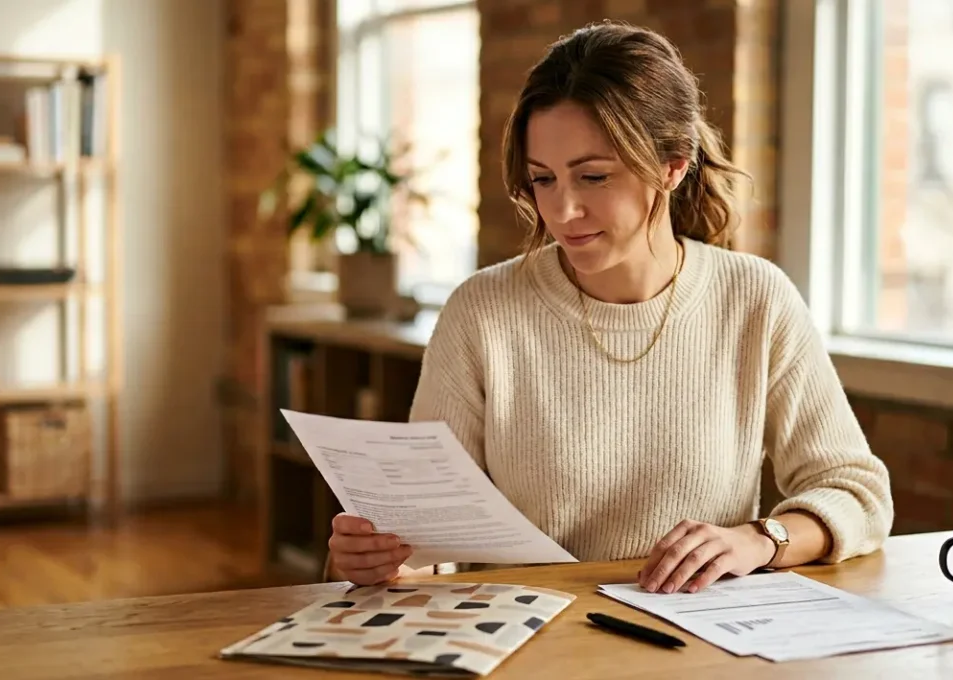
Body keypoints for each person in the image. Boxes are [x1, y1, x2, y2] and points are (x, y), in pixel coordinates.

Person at [325, 20, 893, 593]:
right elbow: (430, 543)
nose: (562, 211)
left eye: (593, 176)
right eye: (543, 179)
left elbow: (857, 492)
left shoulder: (755, 299)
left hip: (696, 630)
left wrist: (760, 538)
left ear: (673, 165)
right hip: (528, 629)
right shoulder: (482, 312)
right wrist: (384, 558)